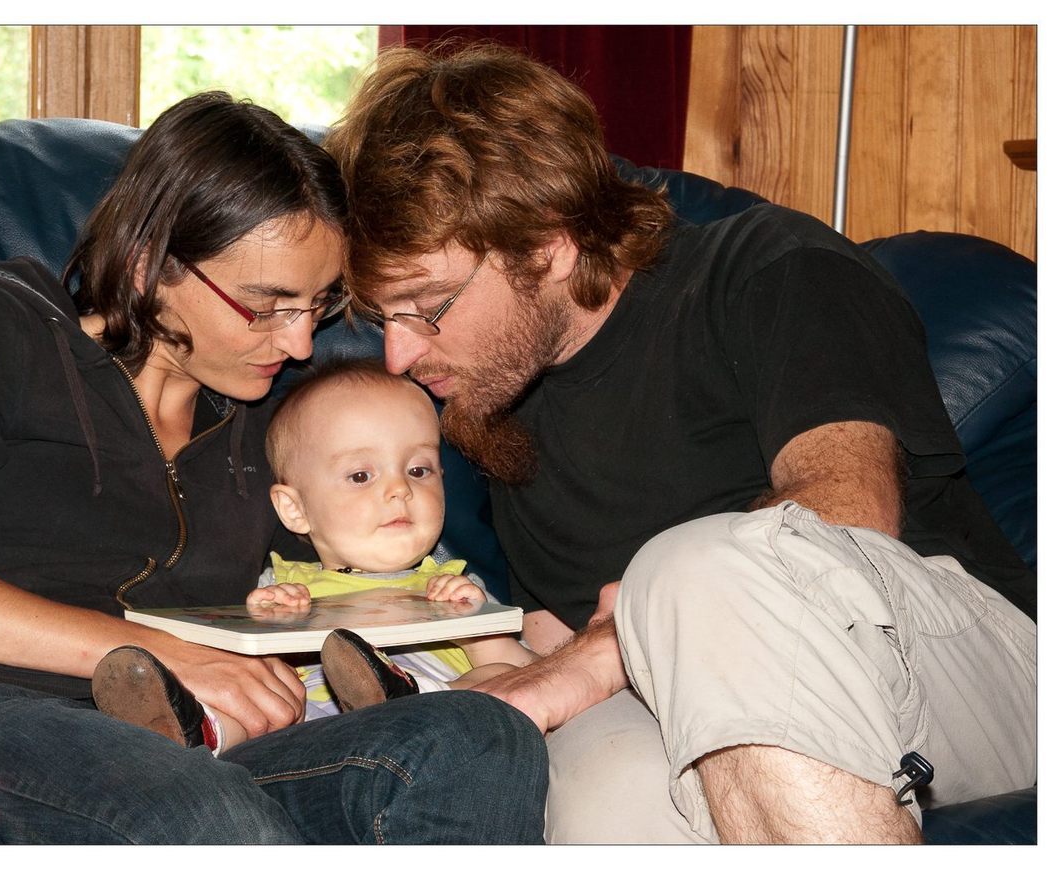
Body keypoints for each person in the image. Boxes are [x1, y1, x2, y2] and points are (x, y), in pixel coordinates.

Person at [322, 44, 1037, 844]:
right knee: (594, 788)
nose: (398, 356)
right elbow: (557, 640)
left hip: (956, 663)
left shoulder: (770, 269)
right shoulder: (498, 402)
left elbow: (846, 515)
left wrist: (610, 647)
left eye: (425, 306)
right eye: (381, 318)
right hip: (691, 699)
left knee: (694, 569)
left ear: (549, 246)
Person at [0, 90, 548, 844]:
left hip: (200, 746)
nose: (299, 344)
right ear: (148, 266)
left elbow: (356, 567)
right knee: (205, 812)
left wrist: (523, 638)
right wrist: (163, 653)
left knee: (477, 739)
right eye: (267, 306)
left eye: (318, 305)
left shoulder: (270, 427)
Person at [247, 357, 539, 721]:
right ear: (295, 509)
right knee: (253, 692)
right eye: (360, 476)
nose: (400, 488)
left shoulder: (455, 588)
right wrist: (268, 630)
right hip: (313, 726)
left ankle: (412, 696)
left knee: (502, 674)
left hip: (437, 721)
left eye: (418, 470)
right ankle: (208, 726)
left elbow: (534, 675)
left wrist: (479, 631)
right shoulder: (285, 588)